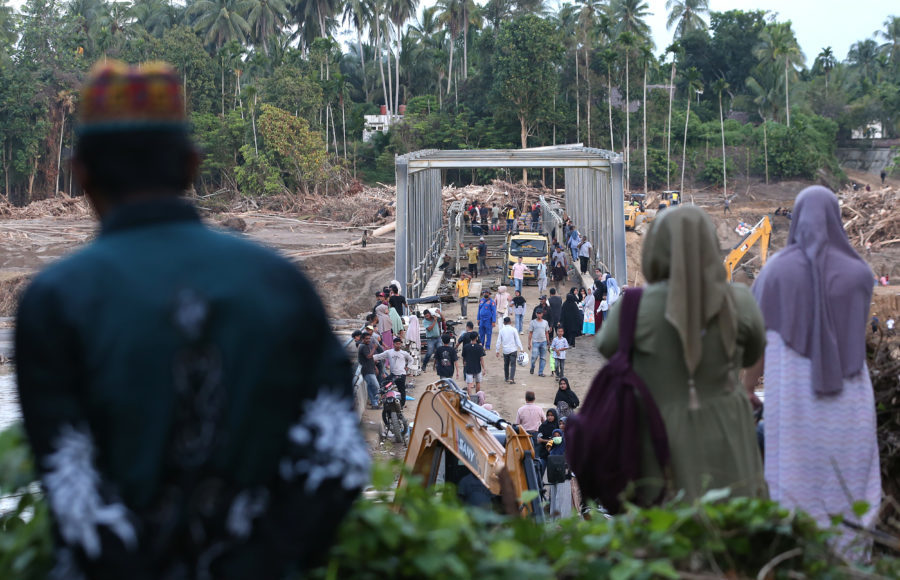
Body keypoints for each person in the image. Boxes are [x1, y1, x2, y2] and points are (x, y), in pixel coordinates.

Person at [14, 61, 368, 579]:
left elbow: (71, 485)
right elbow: (339, 460)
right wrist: (262, 560)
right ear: (191, 166)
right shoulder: (279, 285)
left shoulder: (55, 301)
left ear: (79, 172)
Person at [597, 205, 766, 504]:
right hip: (727, 429)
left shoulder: (635, 308)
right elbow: (754, 351)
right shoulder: (739, 301)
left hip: (658, 432)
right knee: (733, 520)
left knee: (665, 523)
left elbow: (607, 347)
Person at [746, 186, 881, 556]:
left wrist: (746, 387)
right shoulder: (860, 275)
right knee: (850, 475)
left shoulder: (774, 273)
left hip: (793, 399)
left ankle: (798, 554)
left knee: (795, 475)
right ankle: (851, 556)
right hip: (849, 398)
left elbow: (758, 342)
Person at [374, 337, 415, 407]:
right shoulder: (389, 352)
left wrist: (408, 367)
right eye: (396, 344)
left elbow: (411, 360)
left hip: (401, 375)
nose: (398, 345)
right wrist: (369, 358)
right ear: (393, 344)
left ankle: (402, 405)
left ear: (401, 344)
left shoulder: (404, 353)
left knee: (401, 389)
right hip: (393, 375)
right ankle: (385, 401)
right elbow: (378, 356)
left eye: (399, 344)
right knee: (383, 385)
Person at [495, 316, 523, 384]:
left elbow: (498, 341)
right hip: (513, 349)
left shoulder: (501, 330)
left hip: (505, 350)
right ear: (510, 322)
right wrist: (521, 348)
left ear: (504, 323)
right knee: (513, 365)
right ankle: (511, 378)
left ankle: (506, 377)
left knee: (506, 364)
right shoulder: (514, 330)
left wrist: (497, 350)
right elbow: (517, 339)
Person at [358, 332, 382, 408]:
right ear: (362, 339)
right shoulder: (363, 346)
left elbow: (369, 359)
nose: (368, 340)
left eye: (369, 338)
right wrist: (374, 348)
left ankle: (375, 404)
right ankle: (376, 402)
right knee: (376, 386)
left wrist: (375, 367)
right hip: (367, 371)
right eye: (366, 339)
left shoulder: (366, 346)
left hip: (370, 369)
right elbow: (368, 356)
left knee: (371, 387)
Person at [528, 308, 551, 376]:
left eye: (540, 313)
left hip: (543, 341)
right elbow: (530, 333)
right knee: (534, 357)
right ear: (536, 314)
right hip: (535, 342)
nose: (538, 314)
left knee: (543, 358)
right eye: (537, 313)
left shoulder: (545, 322)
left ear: (542, 314)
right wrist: (529, 343)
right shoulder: (533, 322)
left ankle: (540, 372)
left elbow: (547, 333)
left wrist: (548, 342)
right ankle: (532, 366)